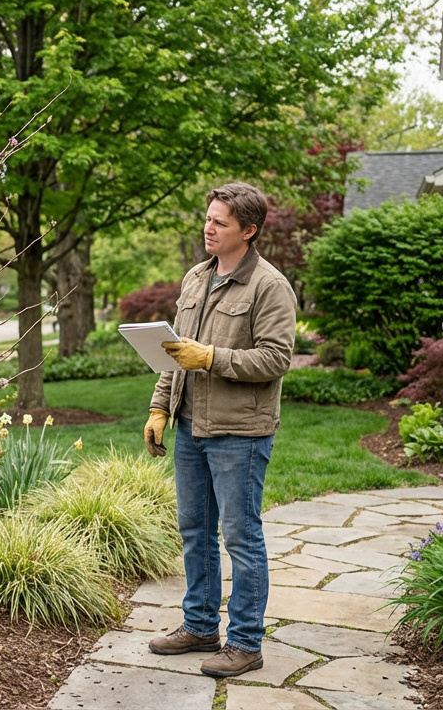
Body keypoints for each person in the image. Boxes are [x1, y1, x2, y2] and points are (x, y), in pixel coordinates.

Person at [142, 182, 296, 678]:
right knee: (194, 532)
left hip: (239, 433)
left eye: (220, 222)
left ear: (248, 231)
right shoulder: (195, 279)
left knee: (241, 537)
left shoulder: (270, 286)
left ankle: (246, 643)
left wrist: (211, 358)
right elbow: (175, 352)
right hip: (190, 426)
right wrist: (160, 408)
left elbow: (276, 359)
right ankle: (200, 625)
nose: (208, 228)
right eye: (207, 218)